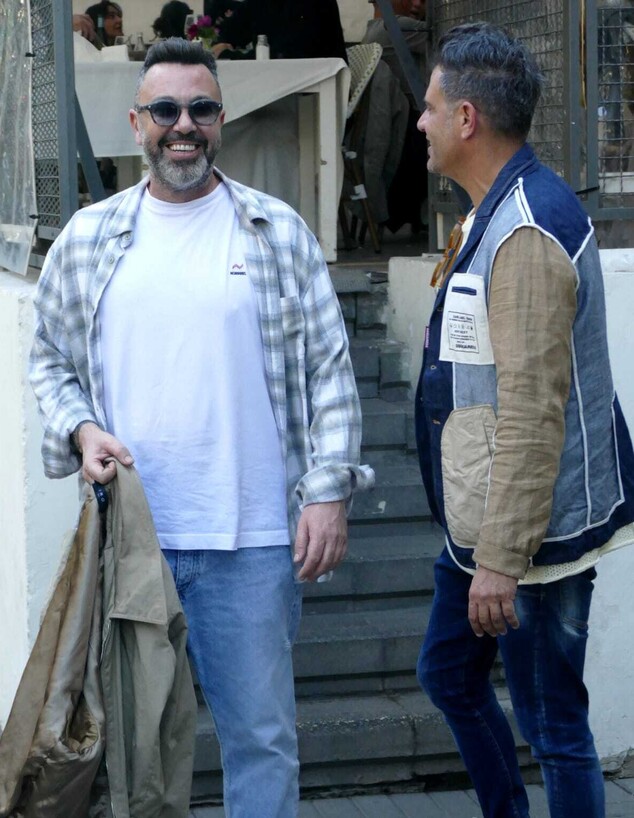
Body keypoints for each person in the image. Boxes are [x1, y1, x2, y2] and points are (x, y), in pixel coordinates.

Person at [29, 37, 373, 818]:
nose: (183, 125)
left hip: (251, 544)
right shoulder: (88, 237)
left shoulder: (275, 231)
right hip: (132, 542)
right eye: (165, 110)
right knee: (131, 751)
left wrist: (327, 492)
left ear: (221, 119)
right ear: (137, 123)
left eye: (201, 109)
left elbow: (329, 371)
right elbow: (48, 359)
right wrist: (81, 429)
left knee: (261, 742)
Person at [414, 22, 634, 818]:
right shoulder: (494, 209)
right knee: (448, 674)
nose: (420, 122)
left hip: (527, 542)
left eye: (430, 107)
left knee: (553, 725)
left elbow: (537, 415)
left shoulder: (528, 231)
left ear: (467, 118)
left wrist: (502, 562)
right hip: (483, 524)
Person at [363, 0, 430, 234]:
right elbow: (446, 37)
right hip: (412, 137)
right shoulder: (396, 26)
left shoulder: (372, 30)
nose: (417, 3)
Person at [204, 0, 347, 61]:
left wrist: (230, 55)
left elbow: (287, 54)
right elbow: (232, 30)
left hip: (315, 94)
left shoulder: (313, 3)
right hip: (276, 89)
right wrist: (221, 44)